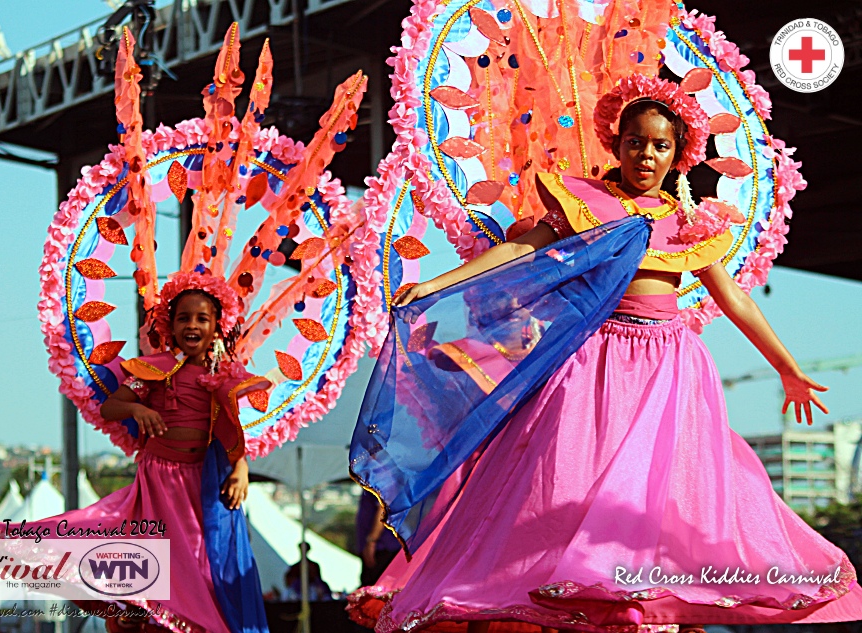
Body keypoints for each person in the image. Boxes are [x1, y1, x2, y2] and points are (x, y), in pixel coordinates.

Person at [348, 79, 862, 633]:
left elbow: (732, 296)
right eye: (636, 142)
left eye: (661, 145)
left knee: (666, 506)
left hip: (669, 370)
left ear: (679, 153)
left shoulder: (690, 222)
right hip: (593, 365)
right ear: (617, 145)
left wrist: (787, 367)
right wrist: (440, 283)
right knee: (557, 489)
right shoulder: (584, 201)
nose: (647, 154)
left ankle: (652, 610)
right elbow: (522, 247)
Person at [0, 272, 271, 633]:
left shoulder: (226, 375)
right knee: (156, 563)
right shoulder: (154, 370)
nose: (192, 325)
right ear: (171, 324)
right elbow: (111, 407)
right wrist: (138, 409)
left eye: (202, 318)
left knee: (202, 570)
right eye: (184, 317)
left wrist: (240, 469)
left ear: (217, 325)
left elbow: (232, 429)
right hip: (160, 482)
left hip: (202, 485)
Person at [357, 492, 402, 587]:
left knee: (375, 587)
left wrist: (371, 541)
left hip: (382, 547)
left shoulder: (382, 480)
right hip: (379, 547)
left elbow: (382, 508)